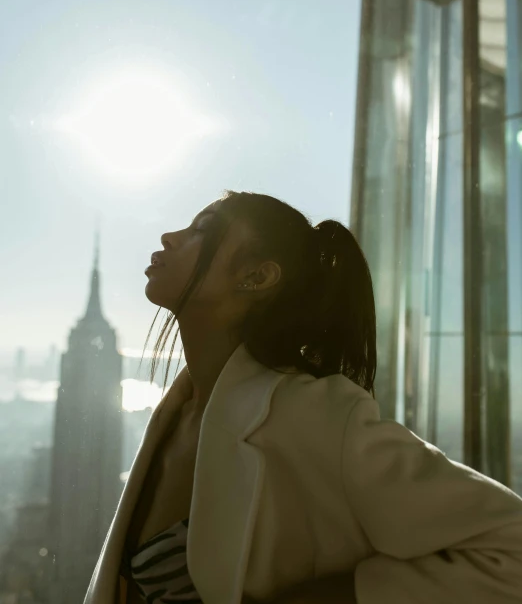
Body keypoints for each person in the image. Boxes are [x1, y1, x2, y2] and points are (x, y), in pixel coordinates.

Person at [85, 190, 522, 604]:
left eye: (203, 229)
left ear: (256, 276)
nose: (169, 236)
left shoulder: (314, 413)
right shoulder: (177, 412)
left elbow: (510, 546)